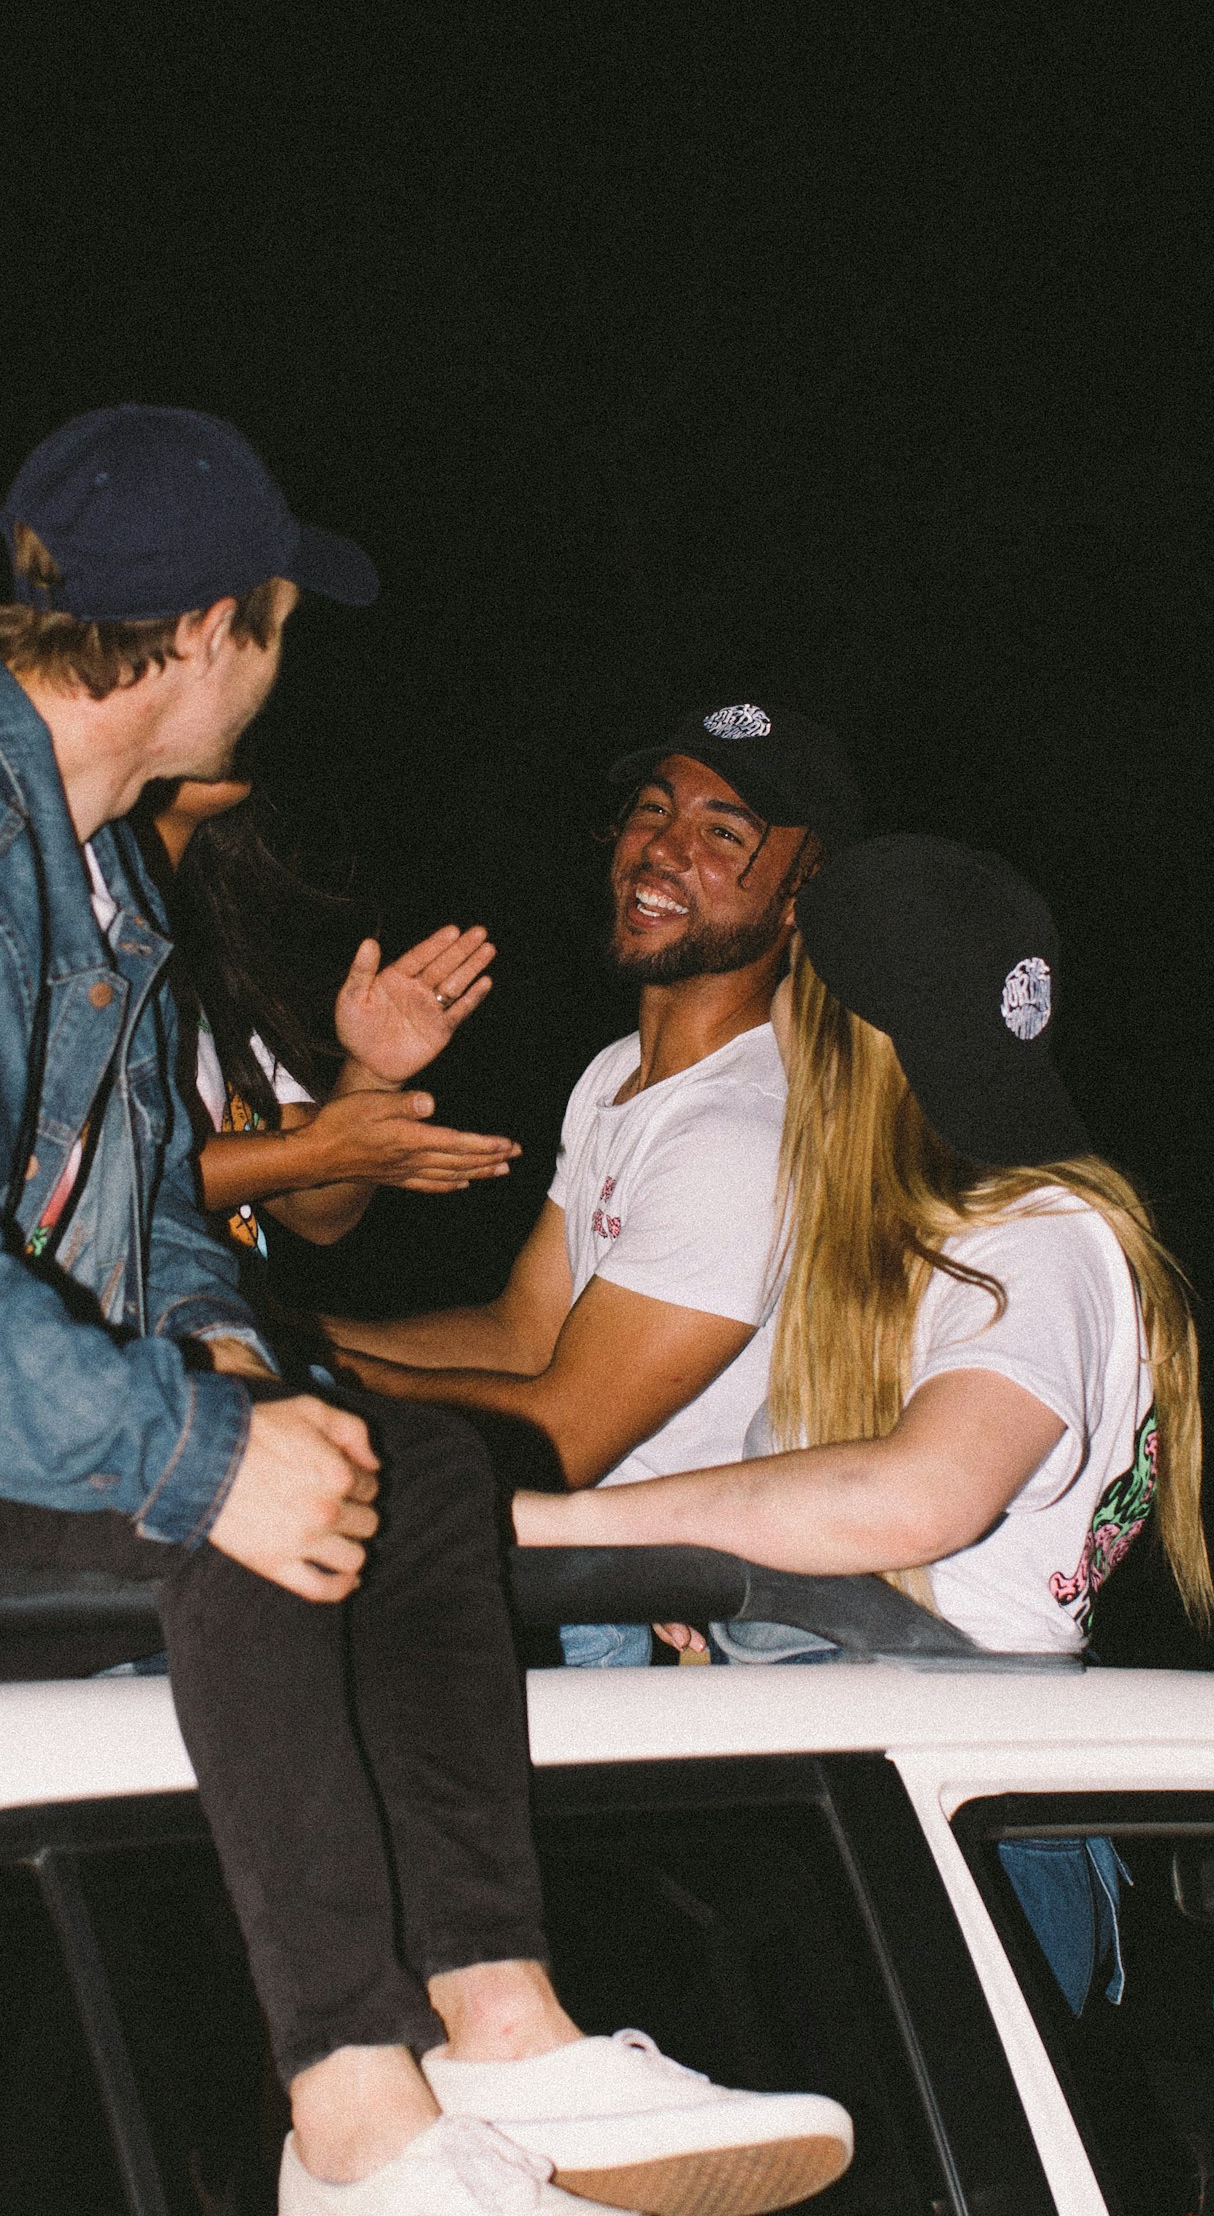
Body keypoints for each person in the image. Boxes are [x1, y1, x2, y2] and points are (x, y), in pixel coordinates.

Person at [0, 406, 852, 2216]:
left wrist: (247, 1373)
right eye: (285, 627)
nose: (283, 673)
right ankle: (354, 2121)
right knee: (223, 1504)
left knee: (427, 1473)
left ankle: (501, 2013)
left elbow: (143, 1228)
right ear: (215, 627)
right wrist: (209, 1455)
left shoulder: (101, 890)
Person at [512, 833, 1214, 1675]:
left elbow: (922, 1497)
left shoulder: (1041, 1235)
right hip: (861, 1706)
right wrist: (716, 1565)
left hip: (951, 1721)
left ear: (829, 1027)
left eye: (797, 970)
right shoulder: (915, 1239)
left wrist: (554, 1522)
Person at [325, 694, 863, 1662]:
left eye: (722, 832)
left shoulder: (742, 1128)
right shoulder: (621, 1070)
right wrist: (271, 1334)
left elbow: (562, 1435)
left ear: (799, 895)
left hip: (678, 1611)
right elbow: (524, 1332)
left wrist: (287, 1375)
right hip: (596, 1576)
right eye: (653, 810)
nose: (662, 848)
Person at [141, 772, 519, 1255]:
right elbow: (91, 1173)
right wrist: (318, 1152)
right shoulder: (47, 922)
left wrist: (372, 1073)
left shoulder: (207, 956)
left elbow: (315, 1214)